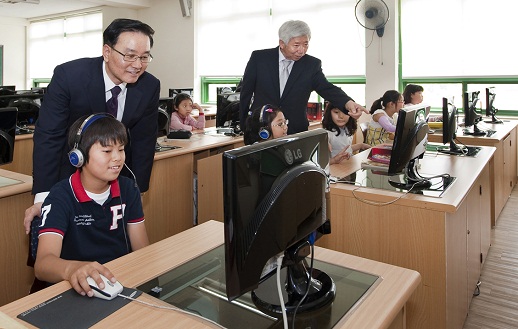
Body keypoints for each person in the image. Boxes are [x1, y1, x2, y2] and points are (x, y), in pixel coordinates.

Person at [24, 18, 160, 234]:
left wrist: (137, 190)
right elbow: (49, 136)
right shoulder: (69, 76)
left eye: (144, 57)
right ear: (107, 51)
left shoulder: (149, 85)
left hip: (116, 180)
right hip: (69, 176)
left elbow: (144, 141)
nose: (137, 65)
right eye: (130, 56)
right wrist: (44, 196)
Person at [33, 114, 149, 297]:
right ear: (78, 156)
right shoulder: (60, 196)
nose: (118, 158)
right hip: (76, 287)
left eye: (121, 149)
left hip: (118, 281)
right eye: (107, 151)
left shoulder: (128, 189)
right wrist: (72, 268)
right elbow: (42, 265)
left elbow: (142, 251)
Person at [239, 20, 367, 135]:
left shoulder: (311, 65)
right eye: (296, 45)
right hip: (261, 128)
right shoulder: (260, 59)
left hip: (294, 129)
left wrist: (348, 103)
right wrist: (244, 124)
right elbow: (246, 93)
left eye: (306, 44)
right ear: (282, 43)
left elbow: (327, 88)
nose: (302, 50)